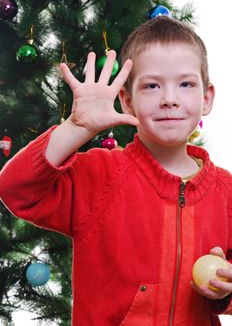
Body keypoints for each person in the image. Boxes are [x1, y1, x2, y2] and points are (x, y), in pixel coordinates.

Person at [1, 16, 232, 326]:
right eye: (151, 85)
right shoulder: (99, 176)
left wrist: (224, 292)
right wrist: (76, 128)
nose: (169, 99)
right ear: (127, 101)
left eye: (186, 84)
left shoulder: (225, 191)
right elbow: (16, 189)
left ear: (206, 98)